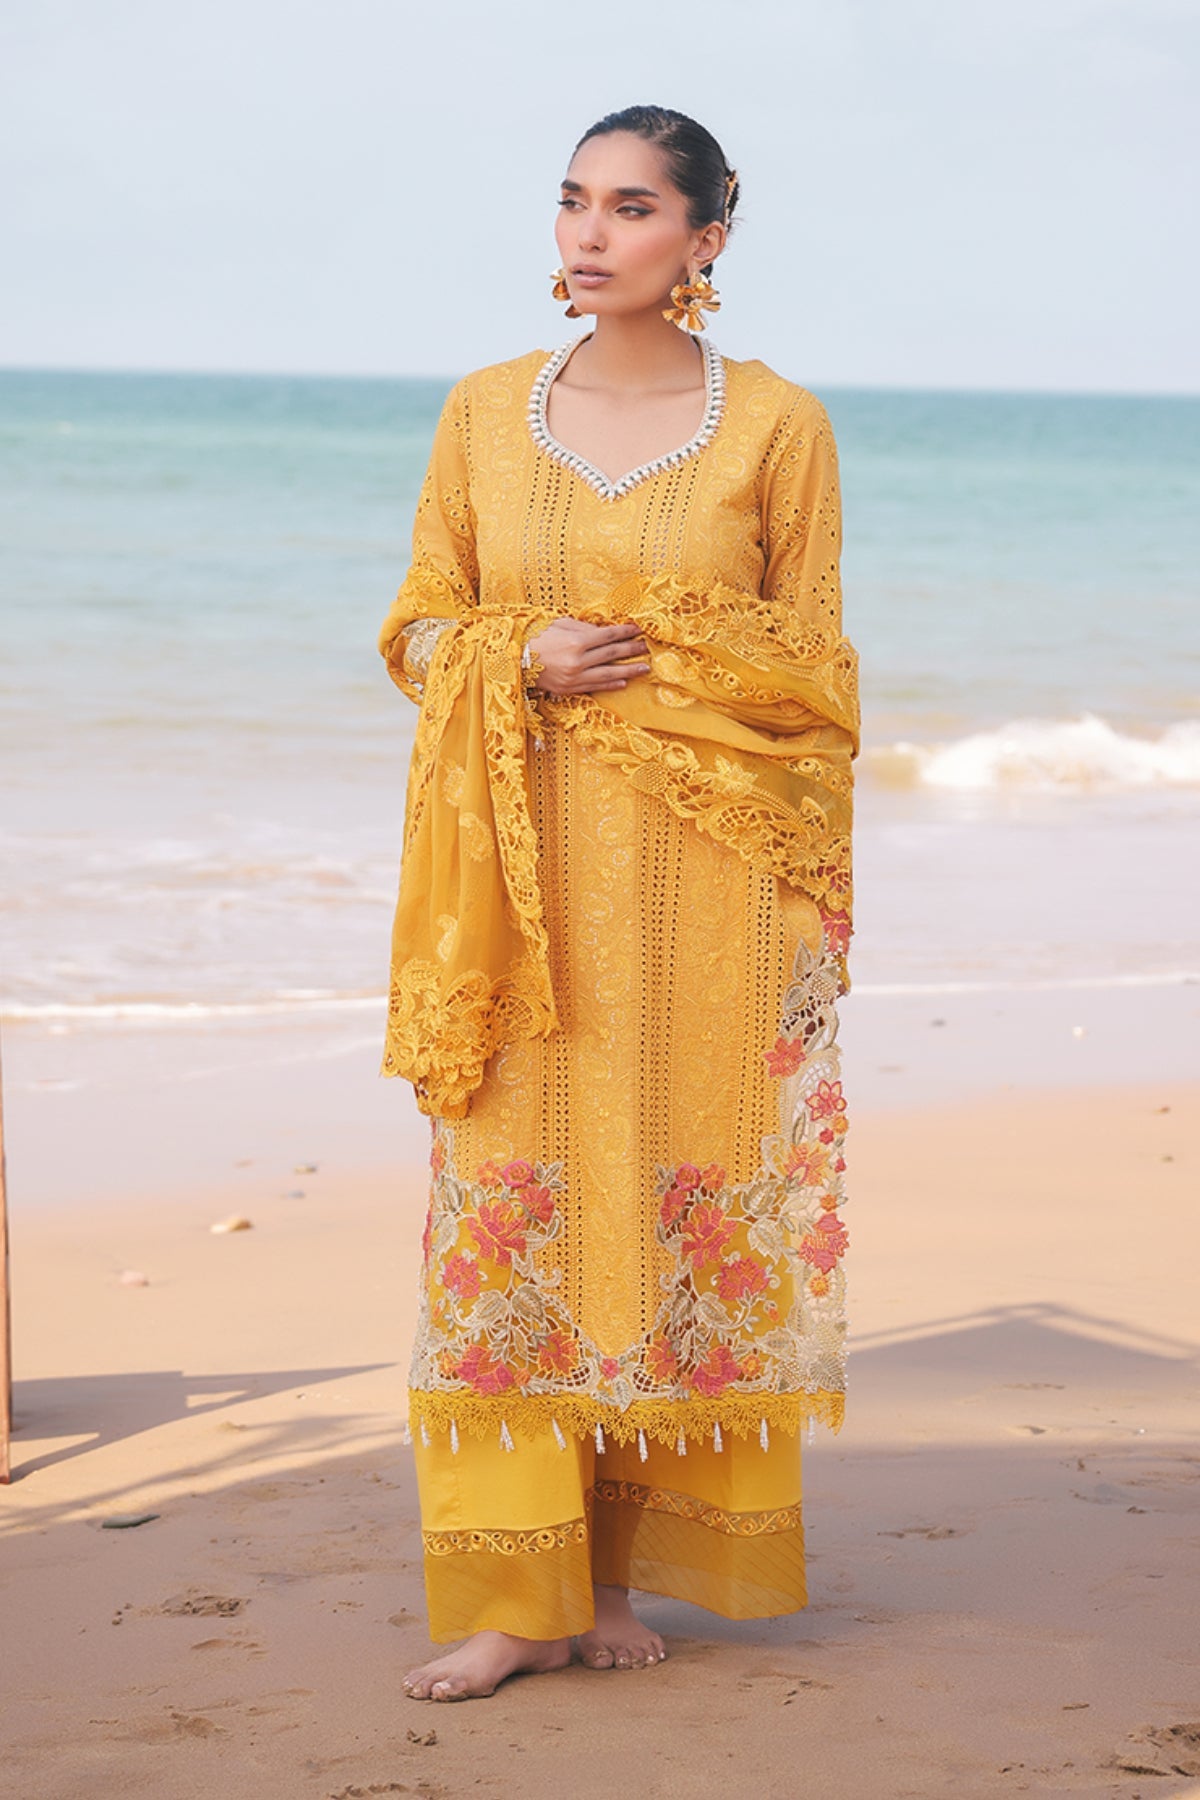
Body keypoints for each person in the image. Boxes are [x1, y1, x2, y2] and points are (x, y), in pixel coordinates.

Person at [378, 103, 859, 1703]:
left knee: (664, 1203)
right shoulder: (481, 411)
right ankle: (515, 1597)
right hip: (514, 892)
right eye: (575, 200)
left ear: (707, 236)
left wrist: (668, 660)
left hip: (708, 895)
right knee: (514, 1210)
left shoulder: (777, 425)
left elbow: (814, 677)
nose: (591, 232)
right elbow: (416, 629)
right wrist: (515, 652)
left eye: (634, 206)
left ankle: (613, 1580)